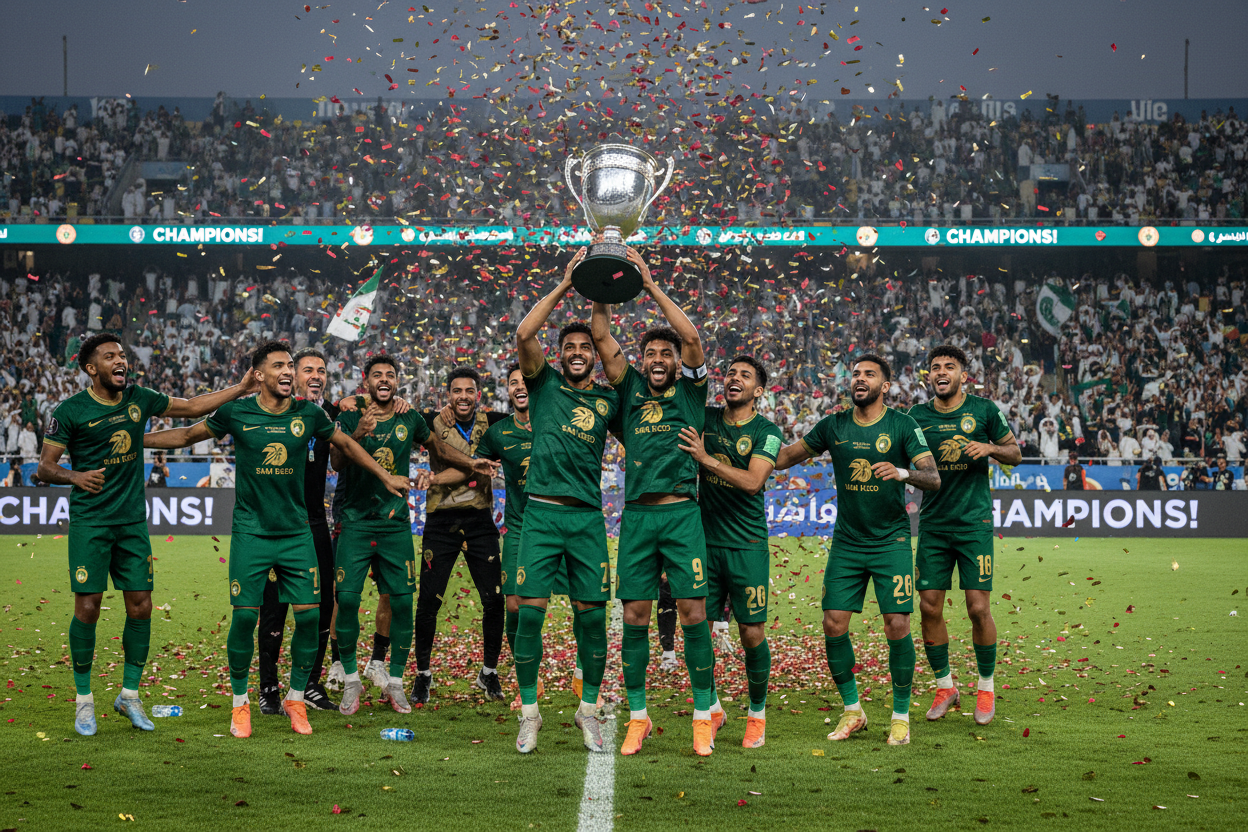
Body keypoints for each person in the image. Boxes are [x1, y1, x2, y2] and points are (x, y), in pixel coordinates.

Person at [142, 341, 411, 739]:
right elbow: (186, 435)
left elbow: (347, 444)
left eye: (290, 366)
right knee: (248, 617)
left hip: (297, 533)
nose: (288, 372)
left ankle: (296, 697)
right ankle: (240, 704)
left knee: (308, 616)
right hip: (252, 532)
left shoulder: (310, 414)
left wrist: (386, 475)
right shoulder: (237, 412)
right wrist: (137, 441)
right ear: (260, 374)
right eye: (280, 366)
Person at [37, 332, 257, 737]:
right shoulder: (69, 411)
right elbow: (44, 468)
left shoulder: (140, 398)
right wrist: (74, 475)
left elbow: (191, 408)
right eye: (109, 357)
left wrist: (241, 388)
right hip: (91, 522)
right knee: (87, 607)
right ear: (91, 368)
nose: (120, 361)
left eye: (122, 355)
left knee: (141, 606)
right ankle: (84, 702)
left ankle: (129, 695)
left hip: (132, 522)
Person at [591, 248, 722, 757]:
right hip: (640, 516)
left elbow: (690, 337)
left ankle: (701, 713)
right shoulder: (629, 392)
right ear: (642, 361)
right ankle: (639, 717)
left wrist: (647, 285)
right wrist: (601, 278)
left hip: (682, 513)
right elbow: (602, 338)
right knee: (637, 616)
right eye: (653, 355)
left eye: (666, 356)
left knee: (692, 613)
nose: (661, 360)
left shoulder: (692, 394)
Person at [774, 354, 940, 747]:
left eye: (869, 374)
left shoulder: (903, 425)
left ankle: (901, 717)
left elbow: (932, 478)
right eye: (856, 374)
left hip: (891, 542)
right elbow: (783, 458)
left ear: (886, 386)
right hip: (848, 542)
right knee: (834, 625)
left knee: (897, 626)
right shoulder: (834, 425)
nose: (859, 379)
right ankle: (853, 710)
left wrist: (902, 472)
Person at [331, 354, 492, 715]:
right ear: (366, 380)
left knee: (403, 602)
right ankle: (352, 681)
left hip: (395, 523)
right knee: (348, 600)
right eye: (377, 375)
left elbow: (438, 448)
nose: (384, 380)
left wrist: (470, 463)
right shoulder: (351, 413)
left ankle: (397, 683)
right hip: (356, 522)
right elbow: (336, 463)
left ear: (397, 381)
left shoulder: (410, 416)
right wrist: (357, 433)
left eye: (390, 374)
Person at [510, 250, 620, 755]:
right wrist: (563, 283)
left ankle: (589, 710)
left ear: (594, 357)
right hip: (542, 515)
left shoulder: (607, 400)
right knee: (529, 614)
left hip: (586, 520)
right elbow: (523, 336)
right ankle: (529, 712)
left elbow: (641, 432)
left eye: (584, 347)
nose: (578, 351)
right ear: (559, 354)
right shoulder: (544, 383)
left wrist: (602, 285)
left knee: (591, 619)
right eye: (569, 346)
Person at [908, 345, 1021, 728]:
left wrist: (989, 447)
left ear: (963, 376)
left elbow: (1015, 452)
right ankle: (946, 687)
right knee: (929, 607)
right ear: (929, 376)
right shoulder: (917, 416)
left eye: (949, 367)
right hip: (934, 526)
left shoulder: (985, 411)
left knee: (978, 608)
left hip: (973, 525)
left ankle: (986, 687)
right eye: (935, 367)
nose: (942, 372)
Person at [677, 355, 784, 748]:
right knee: (697, 629)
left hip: (747, 545)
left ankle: (757, 714)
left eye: (745, 375)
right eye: (730, 373)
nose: (733, 378)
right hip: (702, 544)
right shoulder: (703, 418)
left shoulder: (767, 431)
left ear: (759, 390)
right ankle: (711, 708)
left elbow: (754, 481)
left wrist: (705, 459)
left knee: (752, 633)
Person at [256, 347, 348, 715]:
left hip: (314, 523)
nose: (315, 375)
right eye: (307, 369)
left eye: (321, 370)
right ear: (293, 376)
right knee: (274, 609)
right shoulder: (279, 411)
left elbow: (343, 454)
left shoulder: (329, 415)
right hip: (278, 526)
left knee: (324, 606)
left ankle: (309, 683)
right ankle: (268, 689)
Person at [409, 366, 508, 704]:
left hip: (480, 520)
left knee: (494, 600)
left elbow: (531, 410)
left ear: (478, 395)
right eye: (457, 391)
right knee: (428, 602)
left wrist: (435, 478)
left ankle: (489, 673)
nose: (463, 397)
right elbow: (394, 409)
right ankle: (423, 675)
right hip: (441, 520)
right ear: (447, 394)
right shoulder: (430, 421)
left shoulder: (494, 422)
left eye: (469, 391)